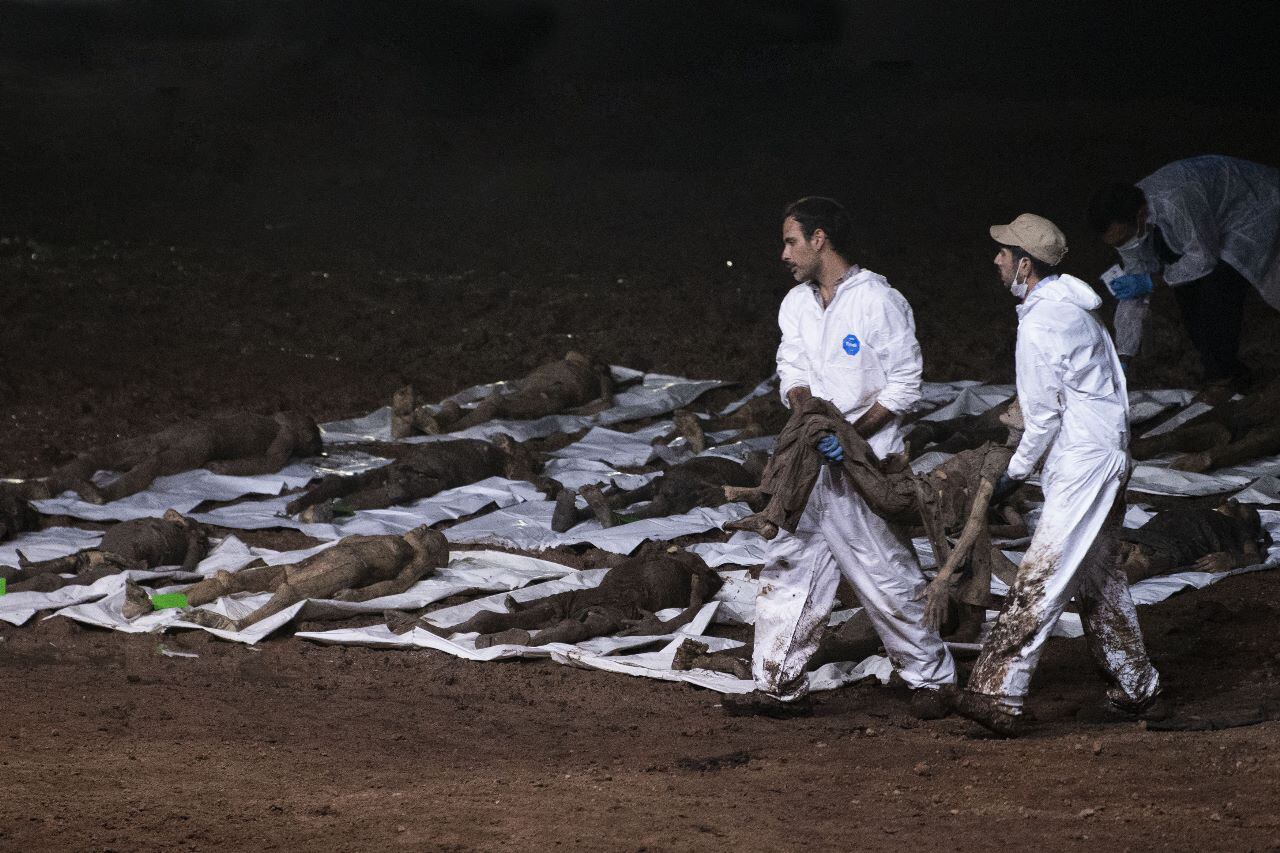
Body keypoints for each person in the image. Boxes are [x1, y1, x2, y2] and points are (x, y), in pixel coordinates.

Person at [728, 196, 956, 718]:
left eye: (791, 242)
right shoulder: (797, 304)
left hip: (865, 469)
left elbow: (905, 385)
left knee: (886, 574)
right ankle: (777, 683)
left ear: (820, 239)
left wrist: (848, 438)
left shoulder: (878, 301)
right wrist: (808, 416)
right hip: (808, 467)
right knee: (790, 568)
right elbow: (791, 366)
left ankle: (933, 680)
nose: (784, 254)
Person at [952, 214, 1163, 737]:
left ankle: (998, 692)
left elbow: (1042, 416)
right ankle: (1136, 686)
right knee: (1099, 577)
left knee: (1042, 573)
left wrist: (1013, 474)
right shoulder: (1074, 307)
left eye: (1005, 253)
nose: (997, 259)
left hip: (1085, 463)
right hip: (1105, 452)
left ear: (1025, 265)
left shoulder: (1041, 322)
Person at [1088, 155, 1280, 392]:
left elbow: (1203, 259)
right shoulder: (1132, 220)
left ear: (1140, 216)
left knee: (1220, 283)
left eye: (1122, 239)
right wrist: (1124, 355)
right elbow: (1136, 287)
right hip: (1208, 219)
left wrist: (1153, 281)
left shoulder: (1177, 201)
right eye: (1115, 244)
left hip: (1252, 206)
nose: (1122, 246)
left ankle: (1224, 377)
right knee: (1184, 284)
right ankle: (1224, 371)